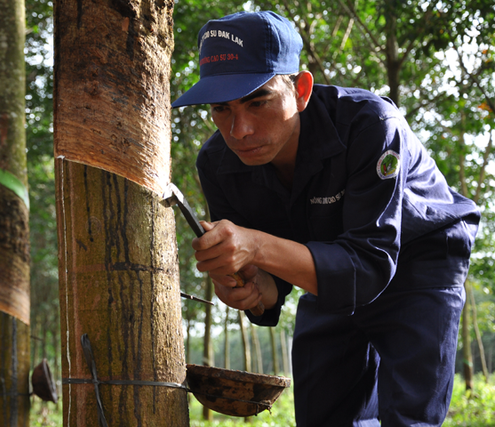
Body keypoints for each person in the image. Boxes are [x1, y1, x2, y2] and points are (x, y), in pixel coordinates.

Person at [171, 10, 480, 427]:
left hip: (419, 258)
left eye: (257, 101)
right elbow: (270, 276)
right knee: (324, 415)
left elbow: (368, 265)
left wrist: (257, 246)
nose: (239, 129)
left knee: (410, 416)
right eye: (221, 109)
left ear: (300, 90)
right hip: (328, 267)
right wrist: (254, 288)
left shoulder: (370, 125)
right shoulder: (217, 163)